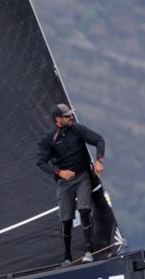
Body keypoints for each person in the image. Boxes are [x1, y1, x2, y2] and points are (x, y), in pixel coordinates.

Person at [37, 103, 105, 266]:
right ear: (58, 119)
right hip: (64, 182)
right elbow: (41, 162)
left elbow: (99, 140)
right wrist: (60, 173)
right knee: (66, 219)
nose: (71, 117)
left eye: (70, 115)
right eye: (67, 116)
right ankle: (67, 256)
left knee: (84, 210)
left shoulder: (78, 129)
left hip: (83, 177)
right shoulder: (49, 139)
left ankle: (89, 251)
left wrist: (99, 160)